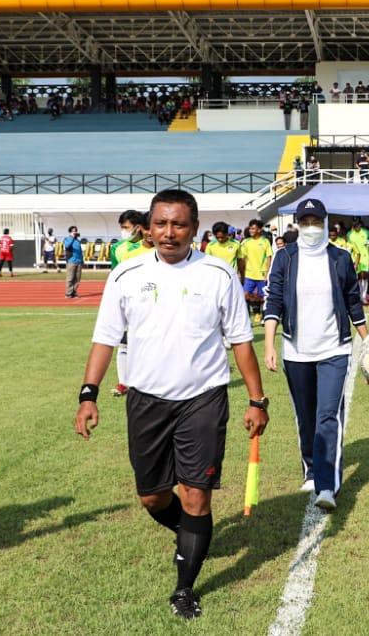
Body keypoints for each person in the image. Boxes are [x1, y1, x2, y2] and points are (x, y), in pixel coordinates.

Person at [74, 188, 269, 621]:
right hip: (146, 400)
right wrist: (88, 394)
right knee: (153, 497)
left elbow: (240, 341)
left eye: (178, 224)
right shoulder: (125, 274)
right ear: (148, 227)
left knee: (196, 495)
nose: (169, 233)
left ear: (194, 229)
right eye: (160, 223)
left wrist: (257, 400)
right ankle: (192, 534)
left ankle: (185, 588)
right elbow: (105, 338)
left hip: (203, 398)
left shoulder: (218, 274)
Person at [263, 198, 367, 510]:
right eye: (305, 221)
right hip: (296, 350)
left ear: (324, 223)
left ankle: (326, 486)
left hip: (335, 348)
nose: (310, 227)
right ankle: (311, 467)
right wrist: (269, 344)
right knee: (306, 417)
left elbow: (352, 300)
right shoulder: (285, 257)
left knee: (327, 416)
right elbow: (273, 300)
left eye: (315, 221)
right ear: (297, 223)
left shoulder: (339, 257)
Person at [108, 210, 155, 397]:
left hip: (157, 305)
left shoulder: (164, 249)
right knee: (124, 343)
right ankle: (123, 383)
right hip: (129, 303)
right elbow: (115, 278)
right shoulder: (120, 249)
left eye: (126, 227)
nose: (124, 231)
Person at [239, 219, 273, 324]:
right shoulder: (246, 242)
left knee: (264, 297)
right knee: (244, 296)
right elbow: (243, 258)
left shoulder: (265, 241)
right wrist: (242, 273)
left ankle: (264, 317)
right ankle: (246, 318)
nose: (251, 230)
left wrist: (268, 273)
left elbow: (269, 257)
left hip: (262, 275)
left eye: (253, 228)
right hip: (249, 275)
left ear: (259, 229)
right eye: (250, 228)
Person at [63, 226, 84, 299]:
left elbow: (80, 251)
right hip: (71, 261)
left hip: (79, 261)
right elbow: (67, 246)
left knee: (77, 278)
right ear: (70, 232)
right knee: (70, 278)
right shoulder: (67, 239)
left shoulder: (78, 240)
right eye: (73, 231)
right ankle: (68, 293)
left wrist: (82, 260)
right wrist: (72, 237)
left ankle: (74, 292)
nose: (75, 232)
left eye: (75, 231)